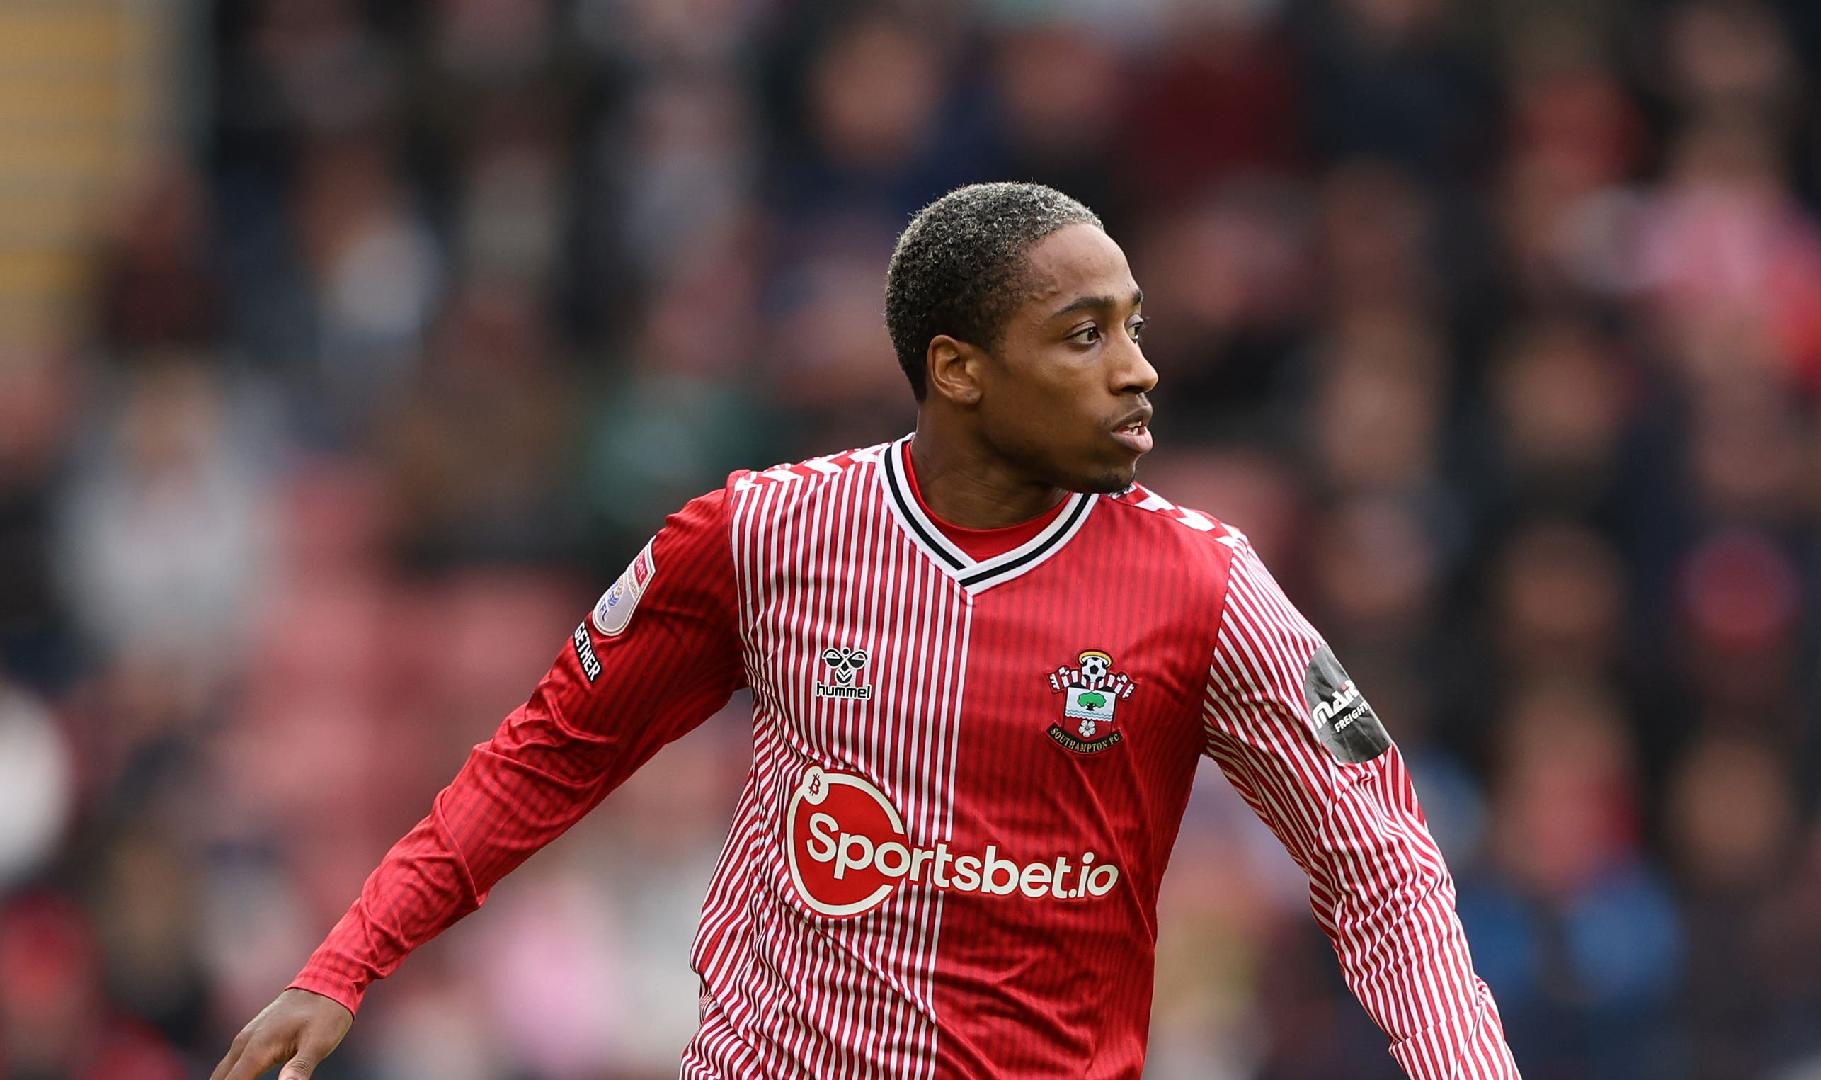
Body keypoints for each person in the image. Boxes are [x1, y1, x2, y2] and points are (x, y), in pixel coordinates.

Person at [210, 182, 1518, 1080]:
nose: (1139, 368)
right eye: (1084, 335)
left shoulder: (1209, 587)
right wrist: (345, 964)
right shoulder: (762, 537)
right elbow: (551, 753)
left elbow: (1383, 864)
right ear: (958, 369)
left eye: (1135, 326)